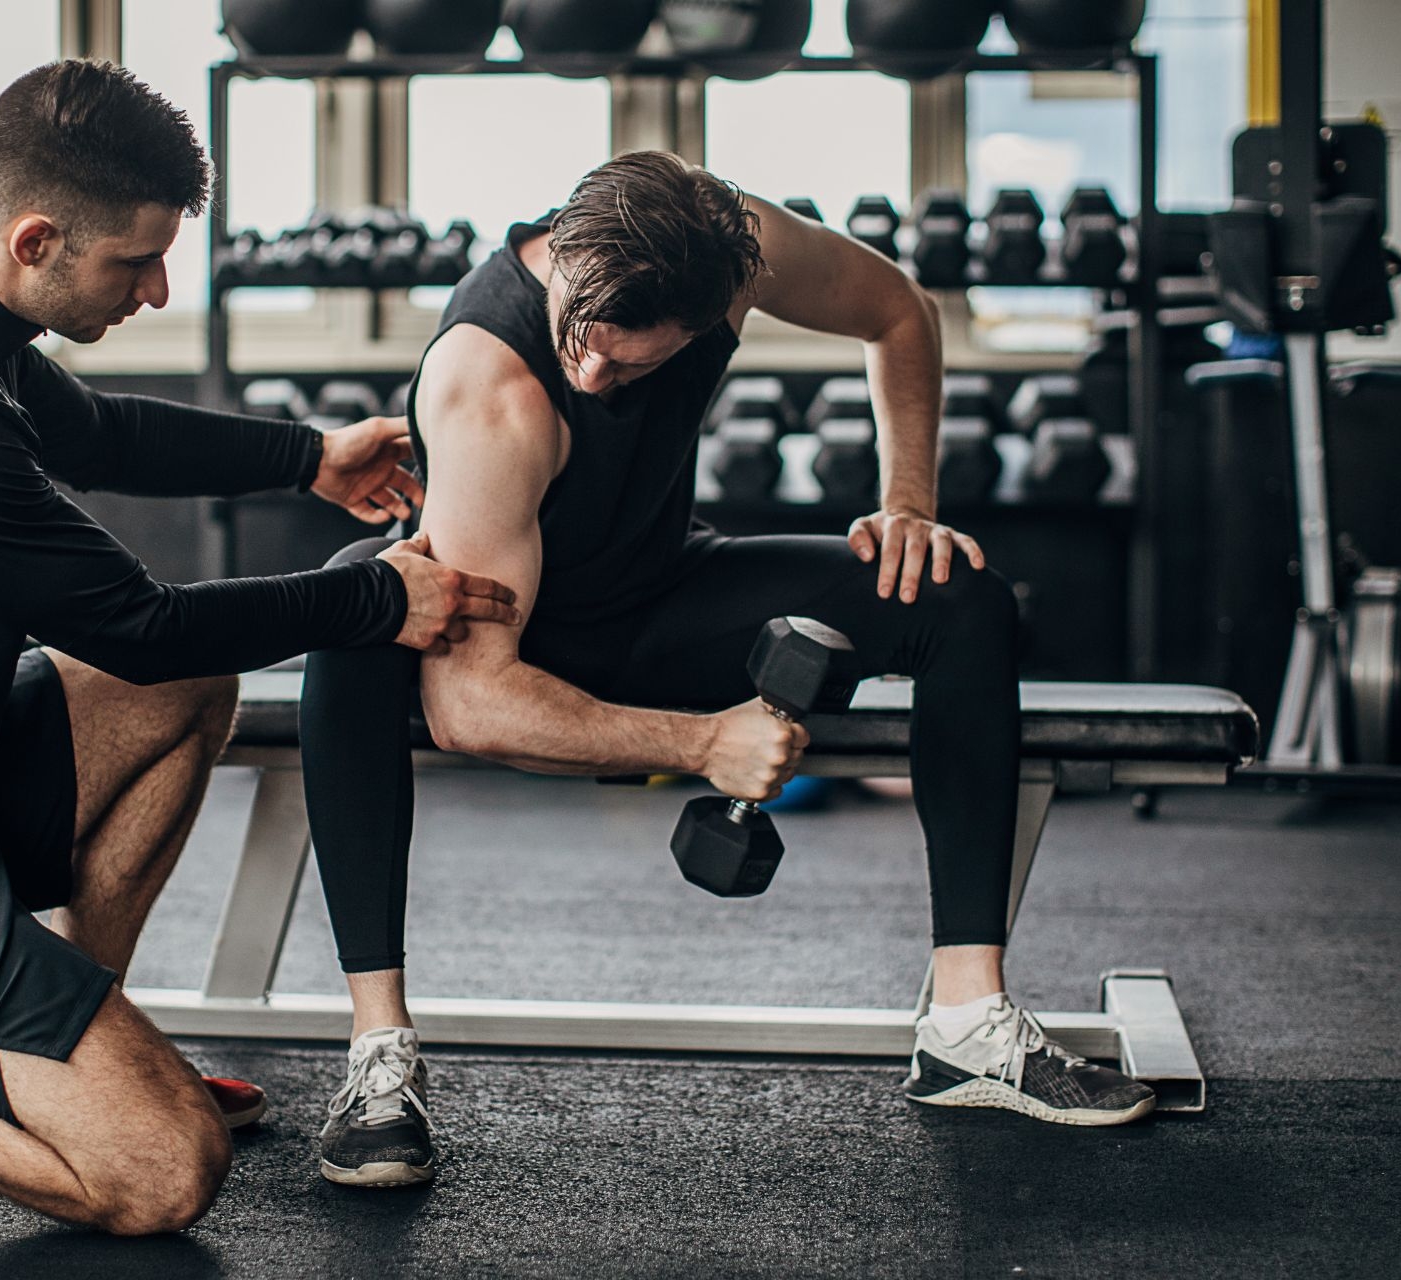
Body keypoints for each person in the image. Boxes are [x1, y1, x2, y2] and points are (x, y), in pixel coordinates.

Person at [0, 59, 519, 1233]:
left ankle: (71, 1036)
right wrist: (377, 602)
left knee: (183, 693)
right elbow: (138, 620)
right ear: (36, 239)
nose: (161, 289)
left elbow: (97, 433)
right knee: (169, 1171)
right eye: (136, 260)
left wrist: (306, 455)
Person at [298, 151, 1157, 1189]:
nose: (589, 375)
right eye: (577, 335)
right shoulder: (493, 386)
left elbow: (899, 309)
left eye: (628, 364)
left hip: (664, 589)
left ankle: (968, 1020)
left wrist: (910, 503)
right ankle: (380, 1055)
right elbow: (474, 706)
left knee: (959, 594)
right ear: (564, 250)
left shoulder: (740, 244)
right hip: (505, 633)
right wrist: (706, 741)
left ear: (720, 310)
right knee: (356, 603)